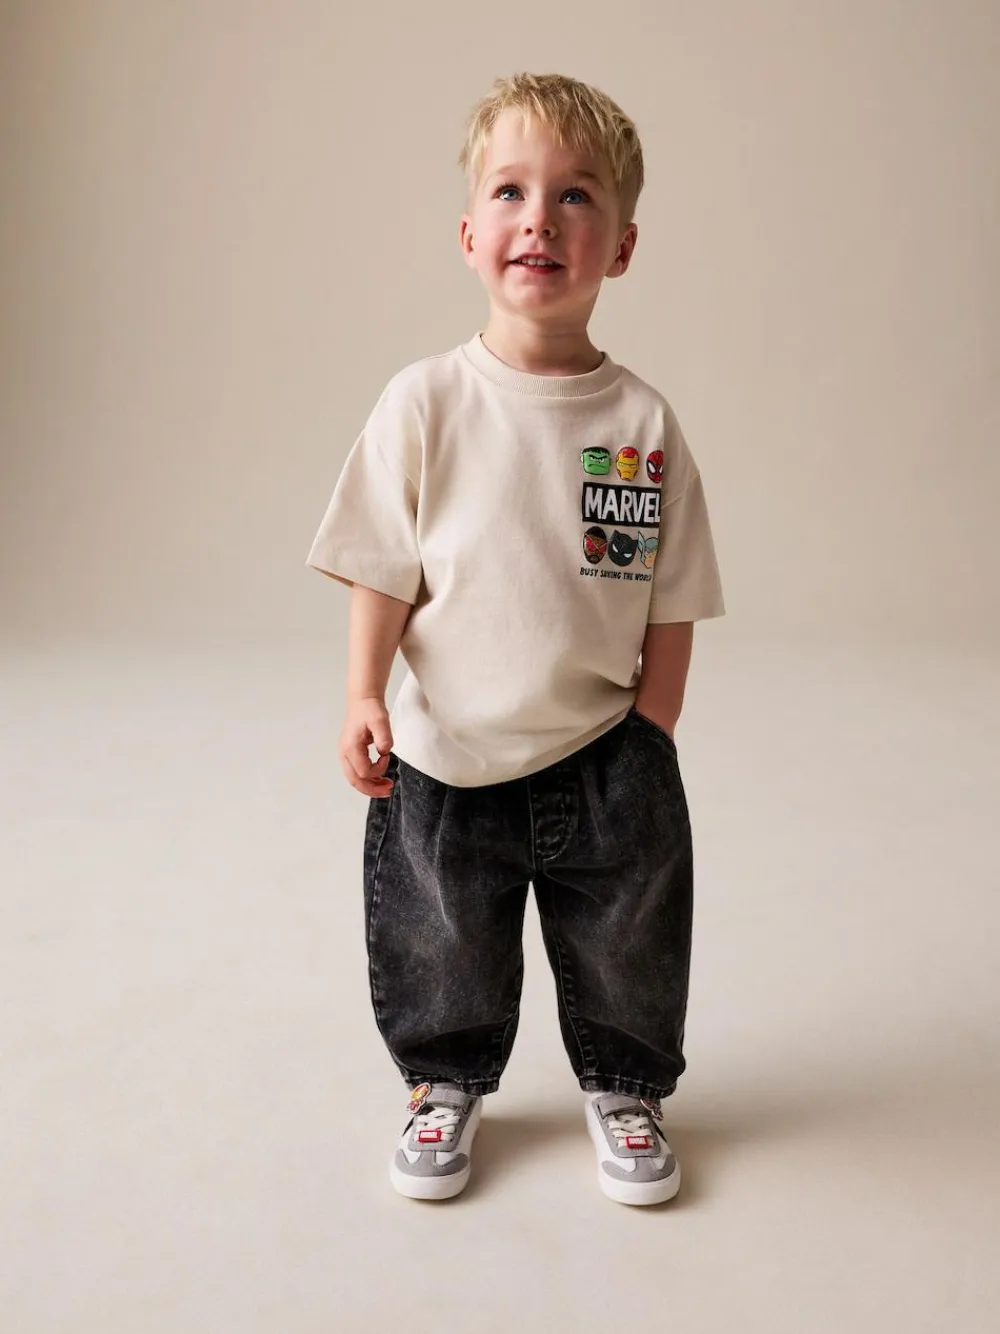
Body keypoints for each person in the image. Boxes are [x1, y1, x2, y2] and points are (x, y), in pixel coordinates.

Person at [306, 72, 725, 1206]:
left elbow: (673, 594)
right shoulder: (425, 403)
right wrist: (363, 693)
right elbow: (382, 567)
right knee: (442, 937)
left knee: (629, 938)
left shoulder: (640, 424)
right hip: (446, 753)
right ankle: (442, 1078)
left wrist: (652, 730)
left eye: (575, 195)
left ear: (620, 247)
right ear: (468, 233)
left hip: (603, 750)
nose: (540, 218)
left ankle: (624, 1084)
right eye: (510, 191)